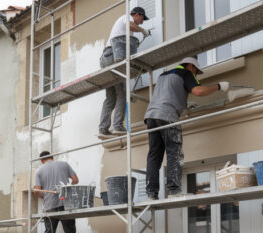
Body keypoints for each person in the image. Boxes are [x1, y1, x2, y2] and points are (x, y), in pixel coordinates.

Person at [144, 56, 229, 199]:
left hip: (151, 116)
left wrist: (184, 105)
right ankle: (174, 191)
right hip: (168, 116)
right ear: (191, 66)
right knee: (174, 152)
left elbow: (167, 95)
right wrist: (219, 86)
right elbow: (198, 91)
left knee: (154, 156)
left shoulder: (163, 76)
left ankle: (151, 194)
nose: (196, 75)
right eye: (197, 72)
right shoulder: (186, 73)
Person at [98, 7, 151, 136]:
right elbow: (130, 25)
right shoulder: (126, 17)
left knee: (111, 97)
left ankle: (103, 128)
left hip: (105, 58)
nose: (142, 22)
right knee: (122, 93)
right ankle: (117, 125)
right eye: (142, 18)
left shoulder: (126, 31)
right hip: (113, 56)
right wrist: (143, 31)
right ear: (137, 14)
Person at [33, 151, 78, 233]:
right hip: (66, 203)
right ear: (52, 157)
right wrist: (68, 189)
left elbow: (36, 191)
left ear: (42, 160)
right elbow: (75, 180)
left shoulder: (39, 171)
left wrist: (44, 197)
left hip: (50, 206)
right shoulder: (64, 164)